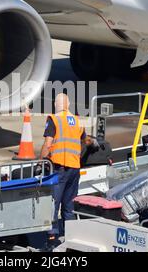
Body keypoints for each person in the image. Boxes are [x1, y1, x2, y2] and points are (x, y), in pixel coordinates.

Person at [39, 93, 97, 248]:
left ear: (56, 105)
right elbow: (86, 140)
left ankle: (52, 239)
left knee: (53, 204)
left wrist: (41, 159)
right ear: (68, 105)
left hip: (60, 168)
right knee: (69, 205)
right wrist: (94, 143)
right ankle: (70, 237)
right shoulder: (77, 121)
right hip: (74, 168)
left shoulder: (54, 119)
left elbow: (48, 143)